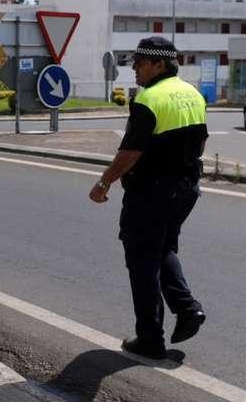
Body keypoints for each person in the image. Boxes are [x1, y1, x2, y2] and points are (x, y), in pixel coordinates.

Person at [88, 36, 208, 360]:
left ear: (158, 64)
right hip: (186, 189)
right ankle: (187, 309)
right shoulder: (193, 94)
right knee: (163, 248)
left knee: (142, 262)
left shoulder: (150, 99)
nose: (135, 70)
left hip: (152, 190)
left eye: (139, 64)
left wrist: (104, 182)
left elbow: (130, 152)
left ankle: (150, 339)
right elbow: (200, 143)